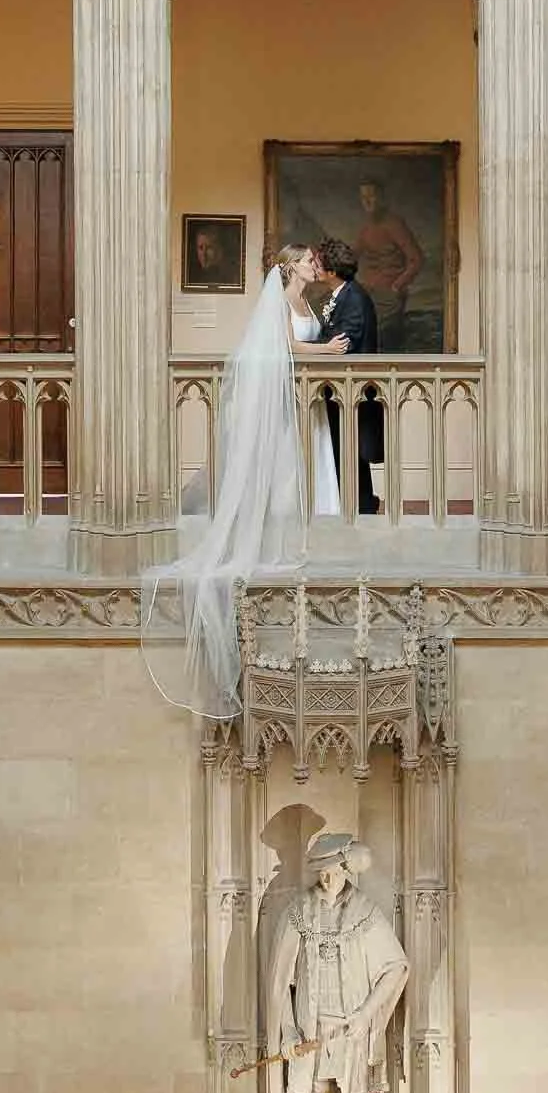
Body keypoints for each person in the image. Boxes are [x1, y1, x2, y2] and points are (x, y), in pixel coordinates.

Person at [141, 244, 347, 718]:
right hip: (282, 396)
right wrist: (325, 349)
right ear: (288, 265)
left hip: (306, 399)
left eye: (315, 260)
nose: (313, 264)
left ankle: (319, 511)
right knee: (277, 467)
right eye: (307, 259)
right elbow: (284, 346)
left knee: (309, 462)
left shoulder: (309, 303)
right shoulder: (277, 299)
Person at [269, 831, 409, 1093]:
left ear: (345, 867)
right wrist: (290, 1031)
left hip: (349, 1030)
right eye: (320, 871)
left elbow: (396, 966)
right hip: (310, 1030)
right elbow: (281, 980)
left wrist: (366, 1013)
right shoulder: (300, 910)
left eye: (331, 870)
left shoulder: (364, 911)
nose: (326, 878)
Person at [314, 237, 384, 514]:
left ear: (332, 271)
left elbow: (345, 345)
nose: (315, 268)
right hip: (338, 393)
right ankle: (357, 505)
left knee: (351, 452)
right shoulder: (343, 294)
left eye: (318, 264)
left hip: (351, 393)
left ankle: (363, 507)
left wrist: (312, 350)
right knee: (346, 452)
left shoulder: (354, 298)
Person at [350, 178, 424, 351]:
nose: (367, 201)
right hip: (371, 293)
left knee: (384, 343)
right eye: (363, 197)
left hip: (389, 298)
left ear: (381, 198)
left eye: (371, 196)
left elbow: (416, 259)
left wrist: (397, 286)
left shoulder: (394, 224)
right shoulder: (366, 228)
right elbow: (353, 256)